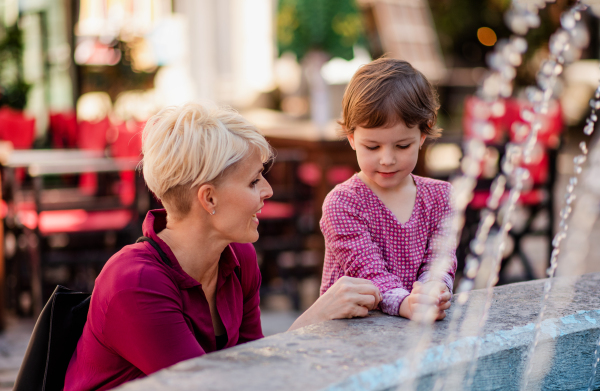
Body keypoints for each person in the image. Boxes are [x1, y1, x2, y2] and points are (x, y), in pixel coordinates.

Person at [64, 103, 382, 391]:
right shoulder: (134, 283)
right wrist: (307, 327)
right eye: (254, 181)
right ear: (209, 198)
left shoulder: (237, 256)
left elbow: (250, 362)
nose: (268, 191)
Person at [319, 58, 457, 322]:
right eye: (372, 147)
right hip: (348, 337)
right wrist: (406, 303)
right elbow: (368, 272)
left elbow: (441, 260)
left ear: (422, 137)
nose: (387, 159)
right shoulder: (343, 203)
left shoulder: (441, 198)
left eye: (402, 146)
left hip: (413, 330)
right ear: (351, 139)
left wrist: (435, 290)